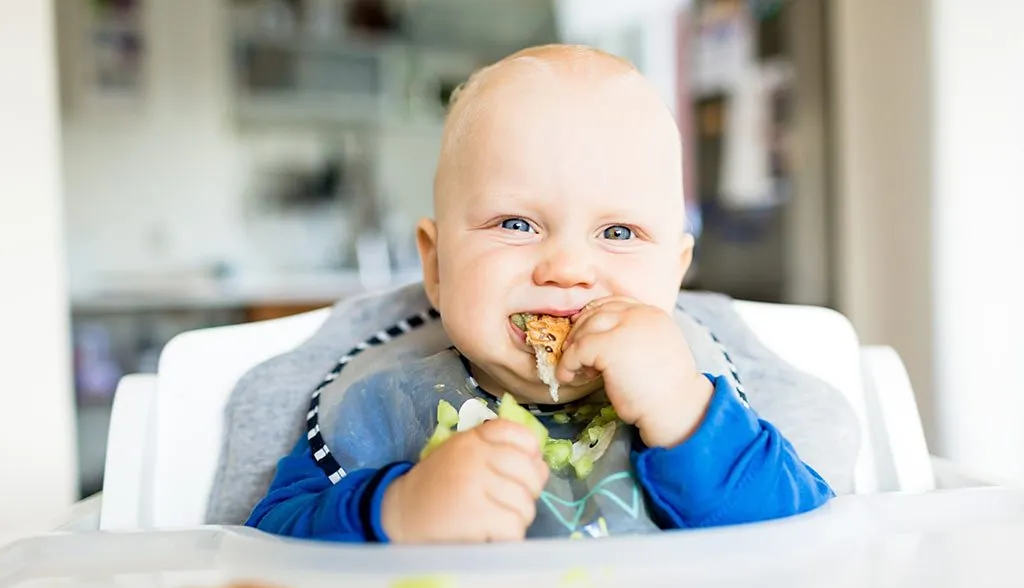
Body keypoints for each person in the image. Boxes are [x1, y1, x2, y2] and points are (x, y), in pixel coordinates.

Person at [244, 44, 835, 543]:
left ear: (675, 274)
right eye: (516, 224)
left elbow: (803, 542)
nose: (568, 268)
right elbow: (270, 543)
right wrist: (395, 511)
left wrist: (682, 414)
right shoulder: (383, 407)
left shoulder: (703, 401)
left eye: (619, 232)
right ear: (438, 266)